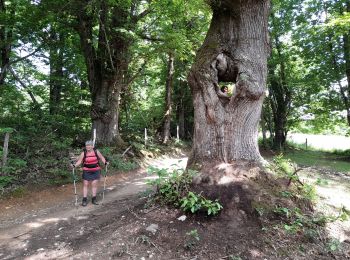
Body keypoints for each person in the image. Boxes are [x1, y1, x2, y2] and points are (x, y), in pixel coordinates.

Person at [72, 140, 108, 206]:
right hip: (86, 170)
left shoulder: (96, 151)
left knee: (94, 184)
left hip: (96, 170)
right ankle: (84, 199)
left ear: (92, 146)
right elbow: (79, 161)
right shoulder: (84, 153)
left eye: (89, 145)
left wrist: (105, 162)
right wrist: (74, 165)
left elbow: (102, 158)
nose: (88, 147)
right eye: (87, 145)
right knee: (85, 184)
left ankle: (94, 199)